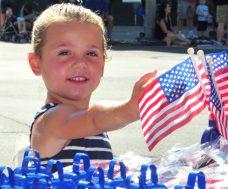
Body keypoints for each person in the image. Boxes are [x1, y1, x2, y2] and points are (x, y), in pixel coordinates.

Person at [28, 3, 156, 167]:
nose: (80, 63)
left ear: (103, 64)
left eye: (91, 53)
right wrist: (131, 108)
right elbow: (94, 119)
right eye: (65, 52)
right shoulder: (50, 120)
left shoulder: (93, 127)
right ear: (36, 63)